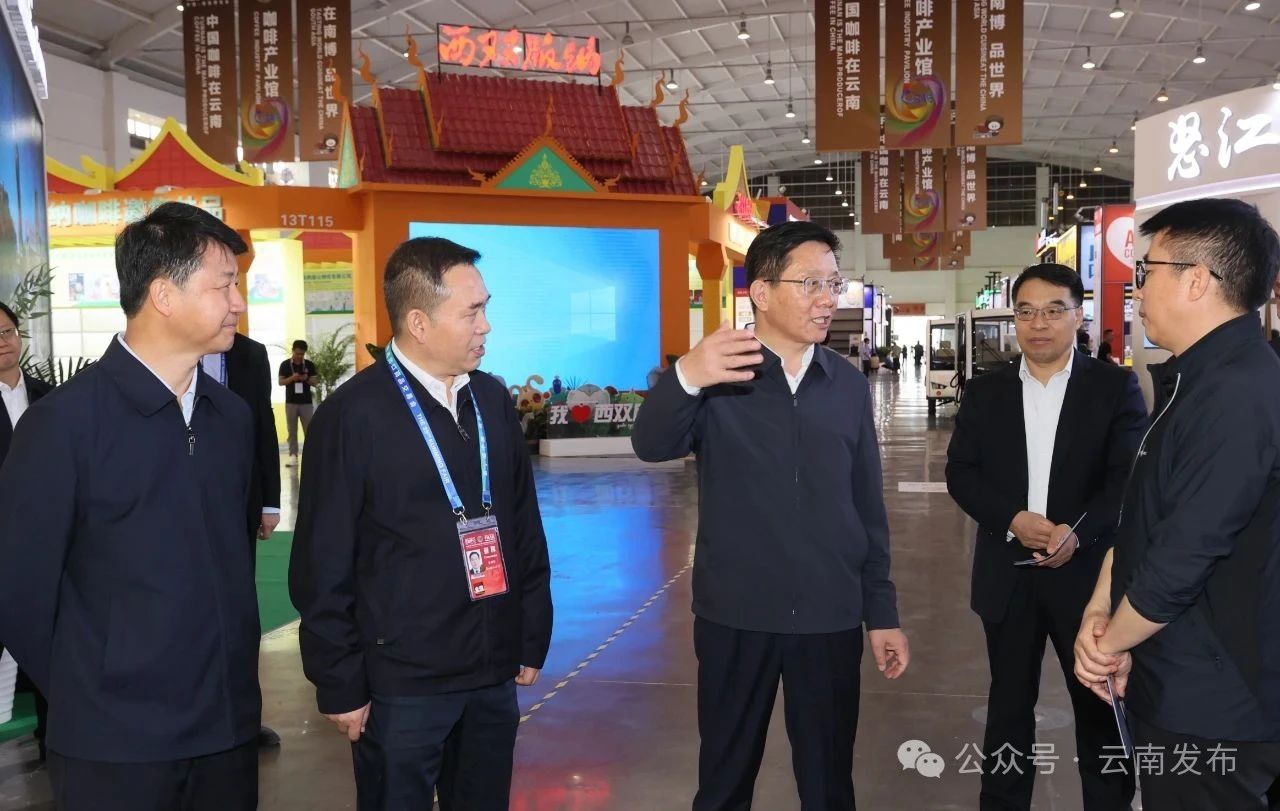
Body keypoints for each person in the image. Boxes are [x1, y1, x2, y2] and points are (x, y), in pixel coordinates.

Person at [632, 220, 909, 810]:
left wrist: (880, 611)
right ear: (760, 291)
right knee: (724, 782)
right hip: (736, 616)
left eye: (833, 284)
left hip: (830, 617)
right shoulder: (717, 376)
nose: (827, 299)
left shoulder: (846, 386)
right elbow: (651, 445)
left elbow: (867, 506)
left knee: (828, 785)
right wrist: (686, 376)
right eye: (810, 283)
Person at [0, 202, 260, 810]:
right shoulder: (63, 424)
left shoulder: (230, 417)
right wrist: (93, 693)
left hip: (227, 731)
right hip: (114, 746)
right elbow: (20, 592)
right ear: (163, 295)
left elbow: (234, 560)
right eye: (224, 285)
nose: (238, 303)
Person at [289, 236, 553, 811]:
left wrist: (530, 634)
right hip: (401, 684)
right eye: (471, 312)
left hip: (491, 668)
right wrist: (339, 680)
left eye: (485, 308)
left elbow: (523, 527)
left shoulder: (491, 401)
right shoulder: (352, 416)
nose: (486, 325)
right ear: (419, 322)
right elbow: (322, 562)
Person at [1074, 198, 1280, 808]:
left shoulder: (1238, 394)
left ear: (1196, 280)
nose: (1137, 289)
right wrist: (1101, 607)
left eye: (1147, 271)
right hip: (1175, 675)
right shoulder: (1194, 382)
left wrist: (1108, 644)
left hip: (1216, 699)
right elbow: (1145, 521)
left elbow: (1183, 558)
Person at [946, 263, 1146, 811]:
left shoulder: (1113, 387)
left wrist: (1076, 533)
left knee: (1098, 708)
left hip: (1087, 582)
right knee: (1008, 708)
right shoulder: (985, 392)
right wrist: (1013, 519)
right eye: (1027, 312)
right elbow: (961, 472)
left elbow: (1127, 478)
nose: (1039, 324)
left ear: (1078, 316)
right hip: (1007, 576)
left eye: (1054, 310)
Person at [203, 330, 284, 748]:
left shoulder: (250, 354)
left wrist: (269, 500)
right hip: (176, 500)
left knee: (239, 610)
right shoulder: (172, 347)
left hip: (239, 499)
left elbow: (263, 424)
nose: (234, 304)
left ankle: (243, 719)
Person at [0, 301, 52, 759]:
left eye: (7, 331)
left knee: (48, 638)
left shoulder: (49, 395)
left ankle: (54, 736)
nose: (2, 342)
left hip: (44, 540)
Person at [279, 339, 316, 465]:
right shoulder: (285, 365)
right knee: (292, 431)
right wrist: (292, 378)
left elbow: (315, 382)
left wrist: (307, 378)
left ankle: (311, 455)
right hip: (291, 402)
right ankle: (293, 455)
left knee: (309, 430)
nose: (300, 356)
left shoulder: (309, 365)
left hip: (306, 403)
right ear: (293, 351)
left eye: (302, 354)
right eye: (297, 353)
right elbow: (281, 382)